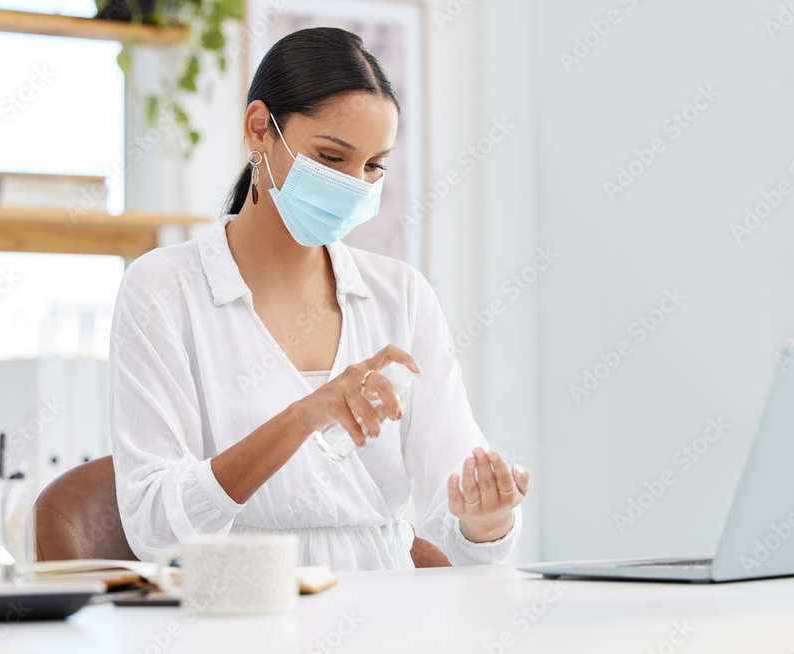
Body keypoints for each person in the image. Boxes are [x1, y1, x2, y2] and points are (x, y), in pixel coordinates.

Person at [109, 27, 529, 571]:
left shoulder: (400, 296)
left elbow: (453, 525)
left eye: (374, 165)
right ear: (260, 129)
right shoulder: (163, 289)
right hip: (238, 611)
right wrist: (304, 416)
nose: (356, 184)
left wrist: (487, 519)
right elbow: (154, 527)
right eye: (332, 157)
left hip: (388, 617)